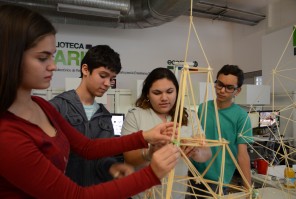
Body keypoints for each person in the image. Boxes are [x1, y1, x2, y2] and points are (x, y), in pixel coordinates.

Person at [0, 4, 181, 199]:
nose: (53, 66)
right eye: (43, 58)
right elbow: (74, 195)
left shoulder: (40, 105)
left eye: (52, 56)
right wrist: (152, 173)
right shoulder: (8, 135)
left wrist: (144, 136)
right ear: (11, 56)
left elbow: (88, 147)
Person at [50, 45, 134, 186]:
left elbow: (104, 158)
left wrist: (112, 167)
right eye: (103, 76)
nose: (107, 84)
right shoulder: (58, 107)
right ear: (85, 69)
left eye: (112, 79)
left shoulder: (106, 118)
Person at [121, 67, 212, 198]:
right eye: (157, 93)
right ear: (147, 94)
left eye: (170, 91)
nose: (164, 98)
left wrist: (196, 151)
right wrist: (149, 153)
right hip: (143, 195)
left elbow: (207, 152)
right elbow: (129, 157)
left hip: (177, 194)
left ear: (177, 92)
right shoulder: (135, 115)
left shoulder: (189, 116)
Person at [187, 64, 253, 198]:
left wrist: (248, 189)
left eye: (229, 88)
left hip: (217, 180)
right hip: (193, 174)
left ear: (237, 91)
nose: (222, 90)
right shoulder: (203, 108)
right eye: (219, 84)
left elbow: (243, 155)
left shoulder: (241, 117)